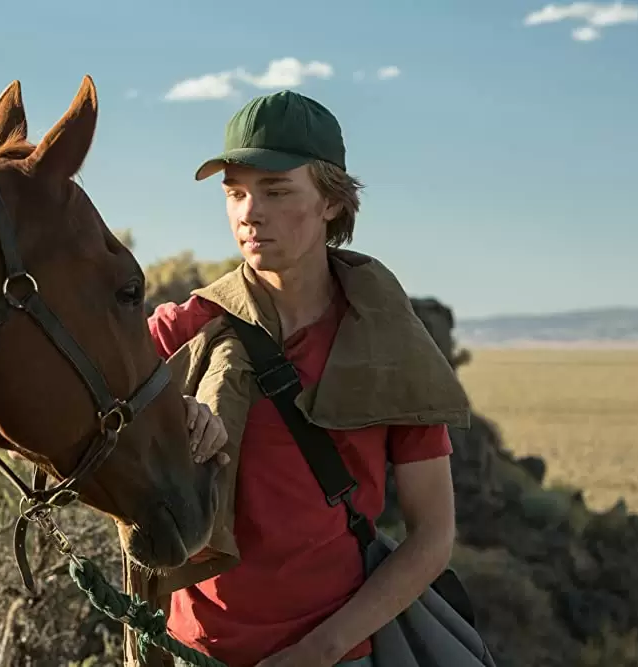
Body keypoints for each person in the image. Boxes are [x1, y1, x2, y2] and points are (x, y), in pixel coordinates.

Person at [122, 89, 472, 667]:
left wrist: (318, 651)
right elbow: (75, 417)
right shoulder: (186, 327)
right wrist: (168, 411)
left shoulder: (387, 345)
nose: (248, 213)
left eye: (276, 191)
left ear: (332, 202)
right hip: (188, 654)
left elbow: (432, 537)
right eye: (235, 192)